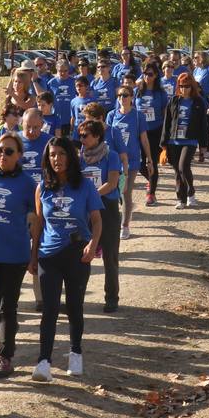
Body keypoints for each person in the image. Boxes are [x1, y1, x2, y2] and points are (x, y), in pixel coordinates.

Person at [30, 136, 102, 382]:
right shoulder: (42, 188)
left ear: (70, 156)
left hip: (77, 253)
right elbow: (38, 225)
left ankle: (75, 353)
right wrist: (33, 255)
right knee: (49, 309)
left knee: (74, 307)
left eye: (61, 154)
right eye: (52, 155)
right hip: (48, 255)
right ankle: (43, 362)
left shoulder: (85, 186)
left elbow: (97, 220)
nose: (56, 159)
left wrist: (93, 243)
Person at [0, 132, 37, 378]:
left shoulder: (27, 183)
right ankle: (8, 330)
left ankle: (5, 357)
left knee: (7, 307)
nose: (2, 155)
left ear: (19, 156)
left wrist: (35, 255)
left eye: (9, 151)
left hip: (15, 253)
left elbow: (37, 220)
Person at [76, 120, 122, 311]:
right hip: (85, 210)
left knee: (109, 256)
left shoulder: (111, 156)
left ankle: (111, 297)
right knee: (80, 254)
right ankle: (77, 297)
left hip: (107, 208)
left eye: (85, 135)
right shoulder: (79, 158)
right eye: (80, 135)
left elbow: (112, 183)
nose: (82, 139)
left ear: (97, 136)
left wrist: (91, 196)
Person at [107, 86, 149, 239]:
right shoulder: (111, 115)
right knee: (115, 192)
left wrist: (149, 158)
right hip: (113, 160)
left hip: (131, 160)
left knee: (126, 192)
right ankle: (121, 215)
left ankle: (125, 226)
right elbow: (107, 137)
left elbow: (144, 139)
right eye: (119, 95)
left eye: (125, 95)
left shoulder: (138, 116)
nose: (122, 98)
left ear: (132, 97)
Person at [163, 73, 208, 208]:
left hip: (190, 140)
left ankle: (191, 192)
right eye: (181, 86)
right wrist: (163, 143)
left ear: (192, 86)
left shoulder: (199, 102)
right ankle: (181, 199)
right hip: (174, 140)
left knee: (183, 167)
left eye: (187, 86)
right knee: (177, 170)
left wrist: (204, 145)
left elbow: (203, 125)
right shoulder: (174, 100)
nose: (184, 89)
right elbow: (167, 122)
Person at [135, 65, 168, 204]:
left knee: (152, 162)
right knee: (139, 164)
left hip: (156, 130)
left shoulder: (161, 93)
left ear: (156, 76)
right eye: (145, 74)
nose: (147, 77)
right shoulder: (137, 91)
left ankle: (151, 193)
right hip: (140, 131)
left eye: (150, 74)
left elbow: (166, 113)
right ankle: (152, 180)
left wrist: (166, 133)